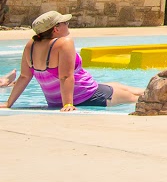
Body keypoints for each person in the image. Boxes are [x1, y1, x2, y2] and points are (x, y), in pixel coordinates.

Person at [2, 11, 142, 111]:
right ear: (56, 29)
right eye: (65, 23)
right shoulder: (64, 43)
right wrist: (68, 104)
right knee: (134, 97)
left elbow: (24, 76)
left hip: (55, 101)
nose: (68, 25)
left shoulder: (30, 46)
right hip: (88, 96)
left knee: (118, 85)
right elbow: (65, 76)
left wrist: (9, 103)